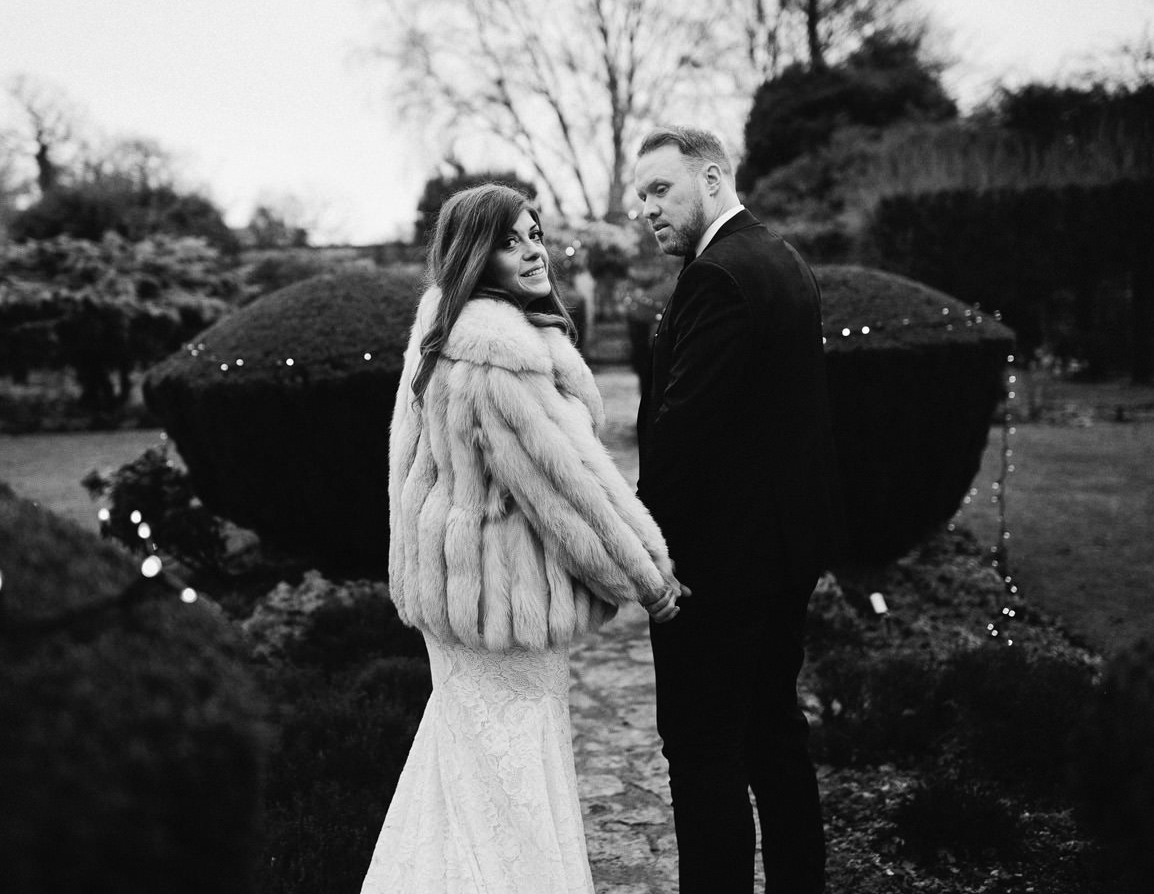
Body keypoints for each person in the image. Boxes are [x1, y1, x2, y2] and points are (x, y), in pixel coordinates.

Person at [362, 183, 685, 894]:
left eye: (534, 233)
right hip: (498, 606)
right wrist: (649, 576)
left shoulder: (438, 335)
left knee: (462, 770)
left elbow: (405, 474)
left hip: (453, 600)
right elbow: (571, 485)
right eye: (511, 240)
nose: (534, 249)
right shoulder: (495, 356)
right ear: (477, 254)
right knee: (514, 783)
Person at [633, 125, 846, 893]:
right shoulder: (783, 260)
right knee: (773, 737)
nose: (645, 209)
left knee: (702, 755)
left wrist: (647, 551)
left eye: (660, 188)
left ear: (713, 178)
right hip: (785, 554)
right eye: (640, 196)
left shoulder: (717, 276)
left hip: (720, 569)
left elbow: (682, 434)